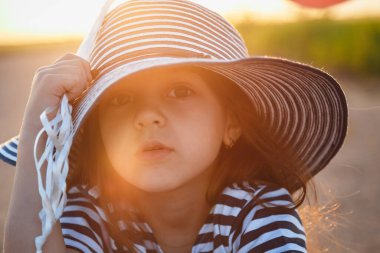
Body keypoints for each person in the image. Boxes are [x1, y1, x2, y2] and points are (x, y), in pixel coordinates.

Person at [2, 0, 348, 252]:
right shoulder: (91, 211)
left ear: (232, 123)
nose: (147, 116)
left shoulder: (258, 209)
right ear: (99, 132)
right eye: (120, 99)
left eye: (179, 91)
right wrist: (39, 126)